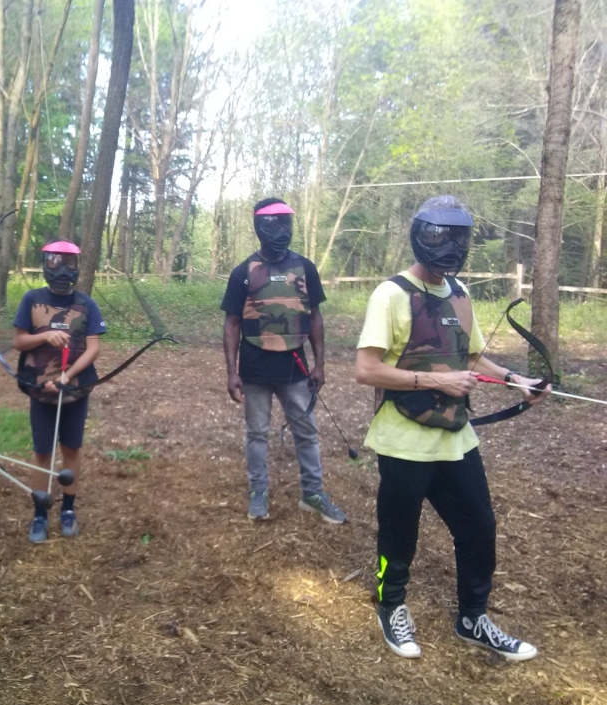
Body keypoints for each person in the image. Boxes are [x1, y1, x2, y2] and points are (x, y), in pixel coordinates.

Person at [354, 195, 548, 661]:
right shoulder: (390, 294)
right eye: (440, 236)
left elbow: (472, 356)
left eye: (459, 238)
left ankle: (473, 619)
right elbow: (366, 369)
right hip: (403, 439)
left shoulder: (459, 293)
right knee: (399, 533)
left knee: (479, 527)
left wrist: (515, 380)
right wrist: (437, 380)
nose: (450, 247)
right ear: (420, 235)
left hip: (456, 437)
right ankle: (391, 606)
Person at [221, 198, 347, 524]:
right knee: (257, 432)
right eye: (273, 223)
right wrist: (232, 372)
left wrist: (320, 364)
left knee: (306, 430)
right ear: (259, 226)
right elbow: (232, 323)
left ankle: (313, 493)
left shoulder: (304, 268)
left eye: (285, 222)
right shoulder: (243, 272)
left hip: (295, 365)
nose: (280, 229)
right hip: (254, 366)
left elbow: (315, 316)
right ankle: (258, 492)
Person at [13, 240, 106, 543]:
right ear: (45, 263)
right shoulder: (32, 300)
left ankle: (67, 509)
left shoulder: (86, 304)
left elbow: (93, 348)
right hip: (40, 390)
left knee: (71, 449)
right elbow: (19, 341)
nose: (63, 269)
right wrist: (46, 336)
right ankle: (40, 514)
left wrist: (68, 376)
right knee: (42, 452)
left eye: (70, 262)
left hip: (75, 391)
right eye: (55, 261)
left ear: (78, 266)